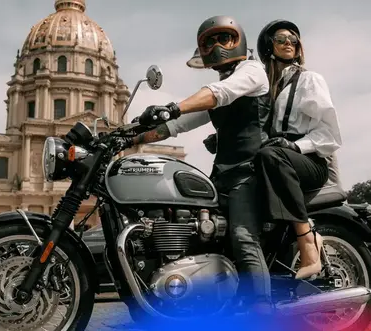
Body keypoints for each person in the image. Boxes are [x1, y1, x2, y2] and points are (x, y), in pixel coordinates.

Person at [119, 15, 273, 313]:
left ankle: (262, 308)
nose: (217, 46)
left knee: (242, 236)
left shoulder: (251, 72)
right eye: (209, 41)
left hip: (250, 171)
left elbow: (217, 95)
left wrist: (171, 107)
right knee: (201, 233)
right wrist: (132, 137)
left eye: (223, 38)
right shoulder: (221, 86)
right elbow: (179, 125)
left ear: (238, 39)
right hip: (223, 174)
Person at [254, 20, 342, 279]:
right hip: (277, 160)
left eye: (293, 39)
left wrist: (294, 145)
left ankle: (308, 241)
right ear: (269, 46)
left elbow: (330, 134)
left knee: (270, 154)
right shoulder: (267, 89)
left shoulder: (309, 80)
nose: (289, 43)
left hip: (309, 162)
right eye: (281, 39)